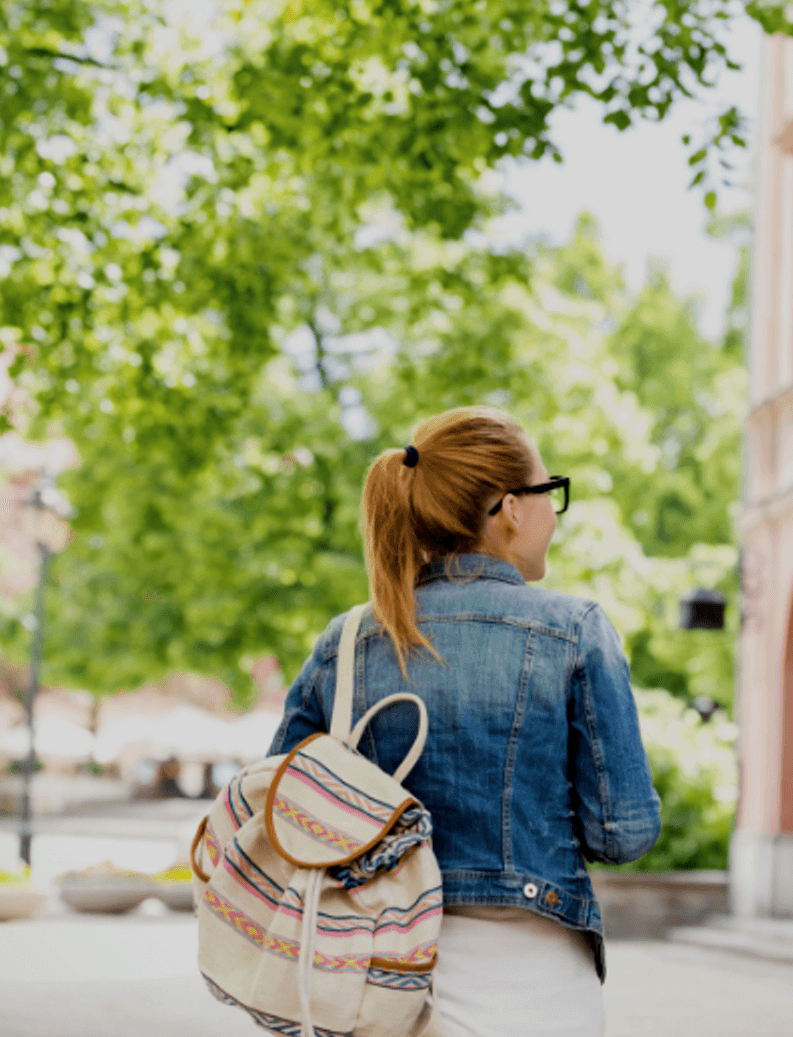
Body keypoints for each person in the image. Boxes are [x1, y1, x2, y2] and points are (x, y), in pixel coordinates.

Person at [270, 406, 661, 1037]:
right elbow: (624, 834)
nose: (551, 517)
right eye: (548, 494)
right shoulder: (574, 632)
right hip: (536, 990)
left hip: (375, 982)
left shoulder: (347, 642)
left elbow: (285, 808)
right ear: (510, 507)